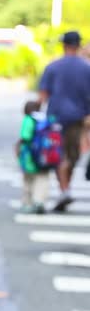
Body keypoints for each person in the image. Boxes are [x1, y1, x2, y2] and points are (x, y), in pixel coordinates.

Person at [38, 31, 90, 212]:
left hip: (56, 117)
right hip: (79, 117)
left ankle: (64, 189)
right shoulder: (87, 68)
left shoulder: (53, 66)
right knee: (73, 154)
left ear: (64, 45)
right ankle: (65, 188)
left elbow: (43, 95)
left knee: (58, 154)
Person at [17, 101, 50, 214]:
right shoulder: (45, 119)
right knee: (42, 178)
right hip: (45, 156)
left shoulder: (28, 119)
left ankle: (27, 203)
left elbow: (25, 136)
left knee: (28, 180)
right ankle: (39, 201)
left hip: (29, 156)